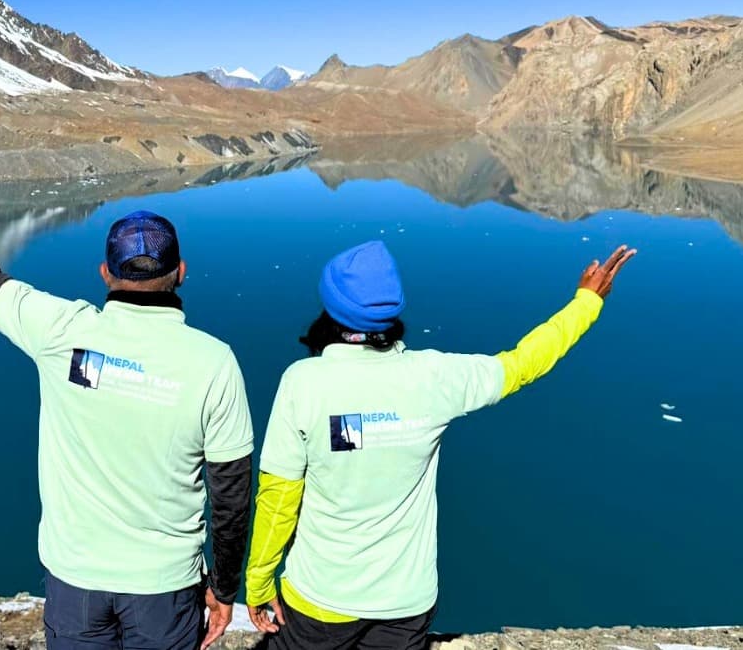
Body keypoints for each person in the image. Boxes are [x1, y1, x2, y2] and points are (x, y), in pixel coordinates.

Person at [0, 126, 253, 650]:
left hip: (75, 583)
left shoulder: (62, 331)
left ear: (105, 274)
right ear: (180, 273)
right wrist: (225, 590)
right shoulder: (214, 363)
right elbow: (231, 495)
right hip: (166, 589)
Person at [244, 239, 636, 650]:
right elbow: (522, 364)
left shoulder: (303, 383)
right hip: (405, 604)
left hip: (321, 600)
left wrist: (258, 581)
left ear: (331, 308)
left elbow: (278, 497)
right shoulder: (436, 378)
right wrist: (585, 304)